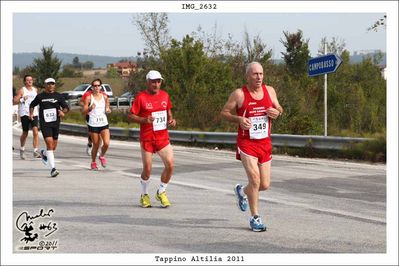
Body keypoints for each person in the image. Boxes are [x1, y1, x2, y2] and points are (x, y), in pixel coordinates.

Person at [220, 62, 283, 232]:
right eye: (255, 74)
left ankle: (241, 190)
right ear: (247, 76)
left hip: (264, 143)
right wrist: (239, 119)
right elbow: (224, 113)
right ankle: (255, 218)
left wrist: (277, 112)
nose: (259, 77)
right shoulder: (239, 94)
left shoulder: (270, 91)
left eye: (261, 74)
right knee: (255, 180)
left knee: (264, 185)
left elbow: (279, 108)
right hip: (247, 143)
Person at [128, 70, 176, 208]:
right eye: (153, 81)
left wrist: (171, 120)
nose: (156, 84)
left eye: (158, 81)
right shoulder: (141, 97)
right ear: (147, 82)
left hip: (162, 138)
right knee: (147, 169)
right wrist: (144, 119)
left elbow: (168, 111)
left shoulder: (165, 95)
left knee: (170, 165)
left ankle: (161, 191)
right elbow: (131, 115)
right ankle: (144, 194)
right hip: (147, 138)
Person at [29, 78, 70, 177]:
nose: (51, 86)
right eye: (48, 84)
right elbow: (32, 104)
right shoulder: (40, 96)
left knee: (53, 147)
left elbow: (66, 107)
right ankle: (53, 169)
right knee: (50, 144)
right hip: (45, 124)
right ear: (45, 85)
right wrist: (30, 114)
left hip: (55, 123)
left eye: (52, 84)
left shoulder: (58, 96)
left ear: (54, 85)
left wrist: (62, 112)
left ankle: (44, 153)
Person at [82, 79, 111, 170]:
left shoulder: (105, 97)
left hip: (103, 122)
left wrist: (108, 110)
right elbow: (84, 111)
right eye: (95, 86)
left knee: (106, 143)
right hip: (93, 123)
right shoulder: (89, 97)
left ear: (101, 86)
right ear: (92, 87)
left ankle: (102, 156)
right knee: (96, 144)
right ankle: (93, 162)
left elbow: (108, 107)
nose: (96, 87)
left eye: (98, 85)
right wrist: (90, 108)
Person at [13, 75, 40, 159]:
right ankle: (22, 149)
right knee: (25, 133)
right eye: (28, 80)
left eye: (31, 80)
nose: (30, 81)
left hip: (34, 113)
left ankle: (35, 151)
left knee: (35, 131)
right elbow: (14, 101)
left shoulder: (35, 90)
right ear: (25, 81)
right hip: (24, 113)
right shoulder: (22, 90)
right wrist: (22, 99)